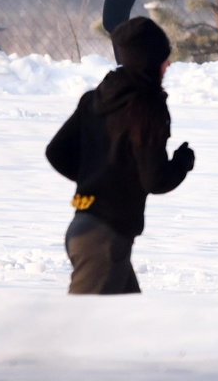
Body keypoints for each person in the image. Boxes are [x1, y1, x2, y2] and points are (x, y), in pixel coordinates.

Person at [46, 17, 194, 295]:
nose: (169, 64)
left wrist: (97, 176)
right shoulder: (147, 108)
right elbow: (155, 180)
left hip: (84, 226)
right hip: (104, 239)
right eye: (164, 58)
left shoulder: (95, 99)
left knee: (129, 328)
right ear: (149, 61)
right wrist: (182, 163)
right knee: (80, 332)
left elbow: (57, 152)